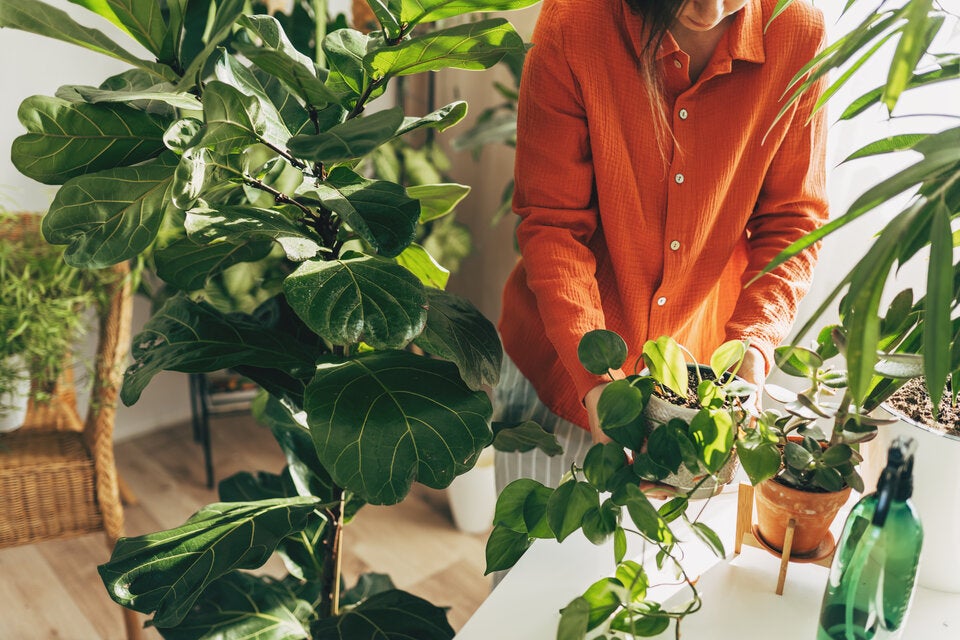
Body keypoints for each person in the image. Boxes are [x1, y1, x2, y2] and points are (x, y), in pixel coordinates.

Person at [494, 0, 829, 493]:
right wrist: (596, 384)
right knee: (533, 566)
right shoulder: (577, 20)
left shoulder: (797, 33)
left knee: (660, 570)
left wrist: (753, 348)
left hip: (693, 393)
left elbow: (792, 220)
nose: (709, 8)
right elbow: (554, 226)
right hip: (558, 373)